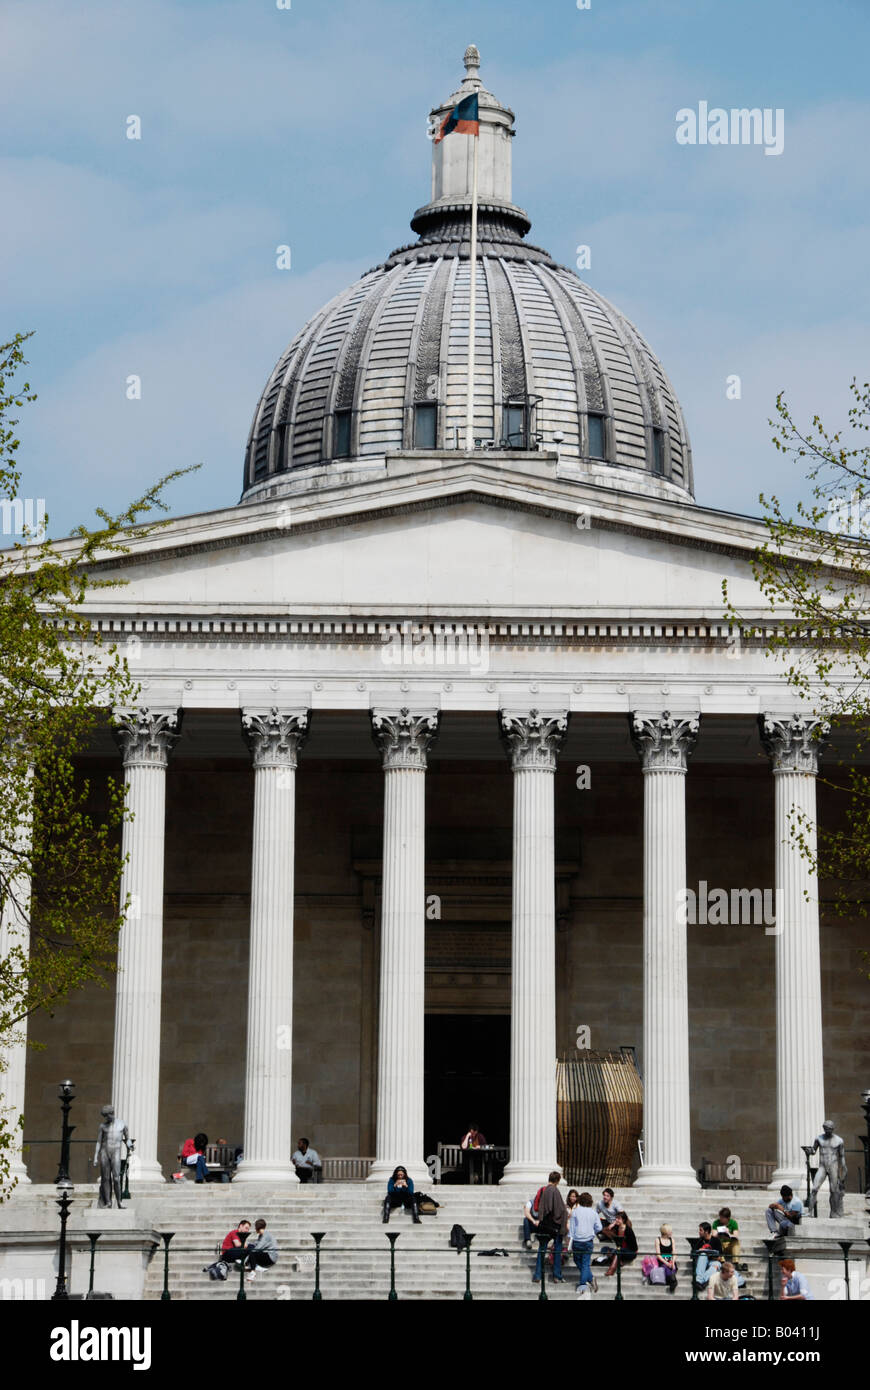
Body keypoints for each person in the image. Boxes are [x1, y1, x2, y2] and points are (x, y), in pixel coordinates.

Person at [532, 1171, 567, 1284]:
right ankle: (556, 1276)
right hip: (554, 1226)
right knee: (557, 1251)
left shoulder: (544, 1190)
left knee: (541, 1250)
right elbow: (558, 1209)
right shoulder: (554, 1190)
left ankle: (537, 1275)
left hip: (544, 1225)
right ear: (557, 1180)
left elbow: (542, 1208)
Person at [93, 1105, 129, 1209]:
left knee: (117, 1178)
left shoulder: (122, 1124)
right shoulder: (103, 1126)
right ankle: (108, 1202)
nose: (107, 1118)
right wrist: (95, 1156)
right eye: (105, 1117)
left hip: (116, 1152)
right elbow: (99, 1141)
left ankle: (119, 1202)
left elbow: (127, 1138)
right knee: (105, 1178)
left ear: (112, 1113)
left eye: (108, 1116)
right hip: (104, 1152)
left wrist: (130, 1144)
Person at [568, 1191, 601, 1298]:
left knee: (579, 1261)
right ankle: (590, 1278)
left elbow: (572, 1228)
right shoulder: (594, 1213)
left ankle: (583, 1285)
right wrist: (593, 1232)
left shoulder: (575, 1212)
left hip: (577, 1240)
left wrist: (570, 1240)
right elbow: (599, 1227)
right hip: (588, 1241)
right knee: (585, 1263)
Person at [245, 1218, 279, 1282]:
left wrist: (246, 1260)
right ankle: (256, 1266)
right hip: (266, 1255)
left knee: (253, 1252)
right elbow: (256, 1244)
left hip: (271, 1257)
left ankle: (252, 1272)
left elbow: (258, 1248)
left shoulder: (266, 1235)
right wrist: (248, 1244)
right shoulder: (261, 1235)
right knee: (251, 1248)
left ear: (256, 1228)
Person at [604, 1211, 637, 1277]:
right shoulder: (616, 1228)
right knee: (604, 1249)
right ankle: (620, 1261)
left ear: (623, 1220)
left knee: (618, 1250)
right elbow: (604, 1231)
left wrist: (622, 1249)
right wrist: (611, 1225)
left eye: (618, 1218)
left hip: (630, 1252)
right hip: (619, 1251)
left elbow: (634, 1247)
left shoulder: (628, 1230)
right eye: (616, 1218)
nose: (616, 1220)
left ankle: (611, 1269)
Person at [655, 1223, 678, 1293]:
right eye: (670, 1231)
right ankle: (673, 1281)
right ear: (666, 1232)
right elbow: (658, 1255)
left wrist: (673, 1262)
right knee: (666, 1267)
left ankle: (672, 1280)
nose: (671, 1232)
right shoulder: (658, 1240)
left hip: (670, 1259)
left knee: (672, 1267)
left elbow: (674, 1253)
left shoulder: (672, 1240)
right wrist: (666, 1263)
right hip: (662, 1260)